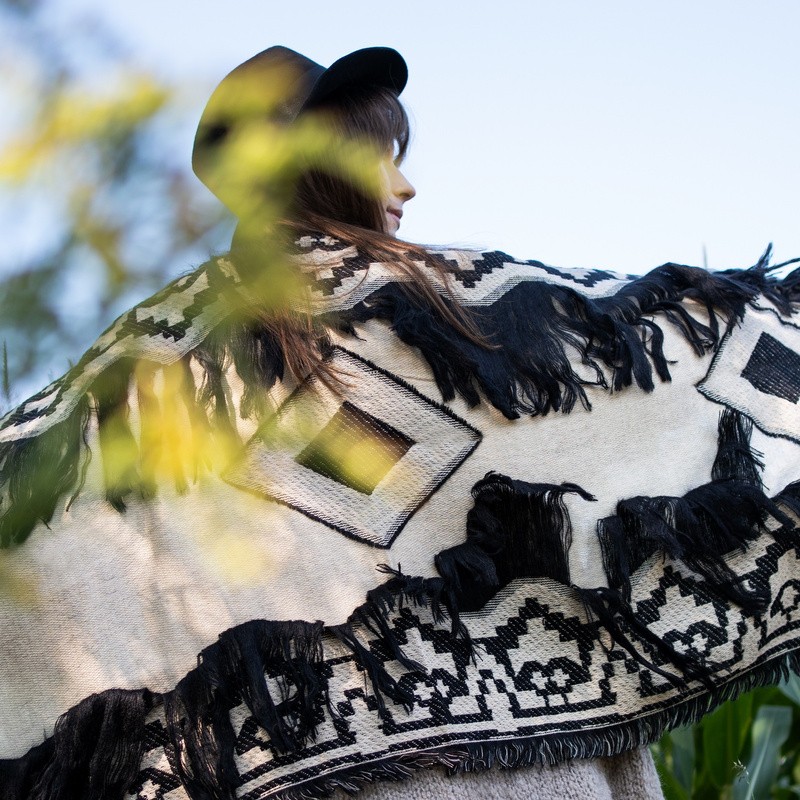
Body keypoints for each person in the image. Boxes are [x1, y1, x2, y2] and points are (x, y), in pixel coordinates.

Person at [1, 45, 800, 800]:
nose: (405, 186)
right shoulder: (431, 304)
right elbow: (638, 359)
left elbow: (42, 506)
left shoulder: (157, 357)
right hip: (505, 766)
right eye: (383, 154)